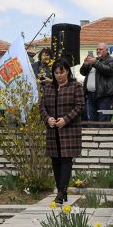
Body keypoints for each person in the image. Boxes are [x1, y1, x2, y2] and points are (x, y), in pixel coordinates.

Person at [39, 59, 84, 204]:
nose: (59, 75)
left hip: (69, 130)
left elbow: (79, 106)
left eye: (62, 72)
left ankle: (60, 193)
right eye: (56, 72)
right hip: (53, 131)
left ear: (68, 71)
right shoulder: (48, 88)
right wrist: (48, 119)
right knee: (55, 160)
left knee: (66, 160)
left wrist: (66, 119)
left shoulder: (75, 86)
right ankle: (61, 191)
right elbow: (42, 107)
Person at [79, 43, 113, 124]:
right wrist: (85, 64)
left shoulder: (112, 60)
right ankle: (93, 136)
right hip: (90, 95)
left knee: (103, 120)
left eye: (100, 49)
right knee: (91, 120)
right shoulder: (94, 60)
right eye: (97, 49)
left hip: (104, 96)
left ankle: (103, 136)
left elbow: (109, 70)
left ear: (106, 50)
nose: (98, 51)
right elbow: (82, 73)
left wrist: (95, 62)